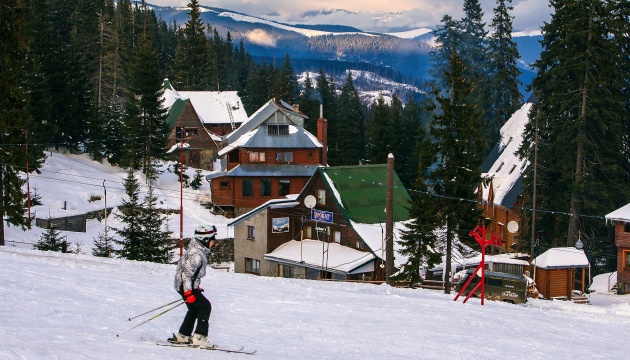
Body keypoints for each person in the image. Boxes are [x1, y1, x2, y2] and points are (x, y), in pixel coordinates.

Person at [169, 225, 217, 348]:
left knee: (194, 309)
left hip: (184, 285)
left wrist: (194, 287)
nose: (214, 243)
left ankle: (183, 336)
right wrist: (189, 292)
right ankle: (199, 338)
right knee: (205, 307)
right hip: (185, 286)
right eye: (213, 239)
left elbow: (191, 275)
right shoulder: (196, 255)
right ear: (205, 240)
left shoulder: (196, 251)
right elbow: (186, 275)